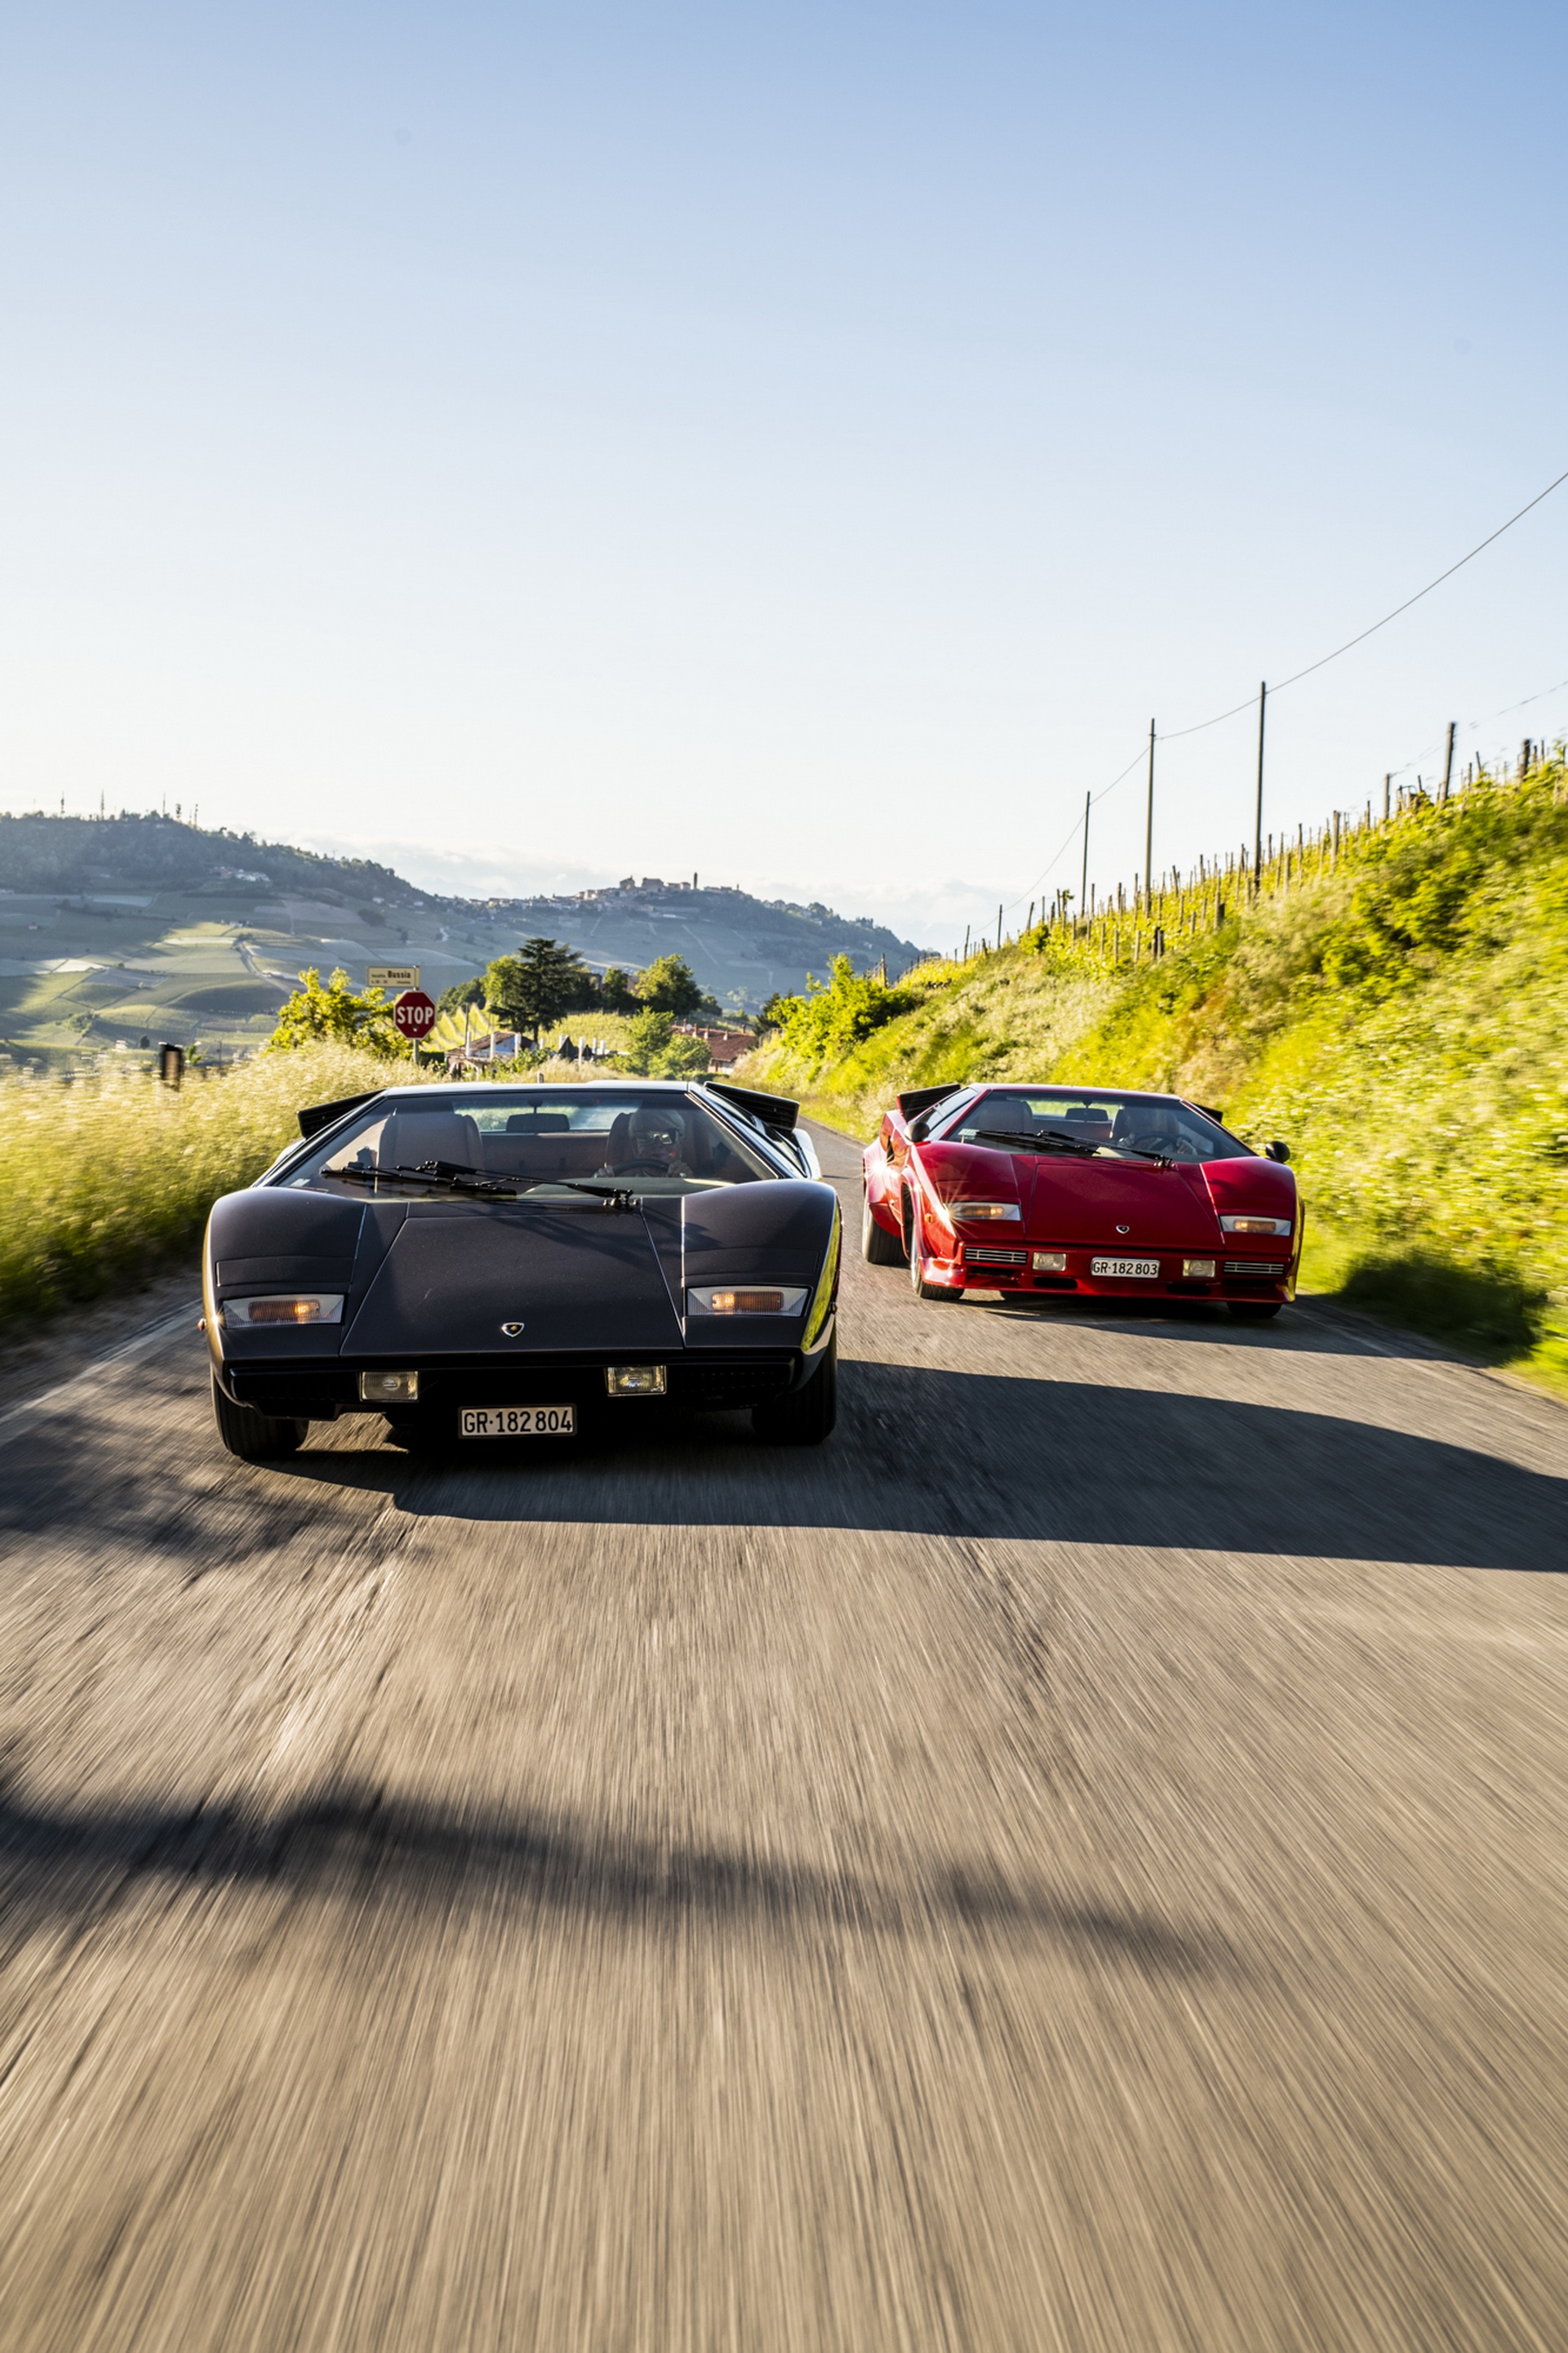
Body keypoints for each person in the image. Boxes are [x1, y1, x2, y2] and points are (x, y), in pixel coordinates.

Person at [600, 1105, 693, 1176]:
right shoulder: (618, 1180)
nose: (658, 1144)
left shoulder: (701, 1182)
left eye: (667, 1135)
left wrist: (689, 1182)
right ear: (635, 1146)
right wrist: (601, 1182)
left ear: (681, 1143)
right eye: (645, 1137)